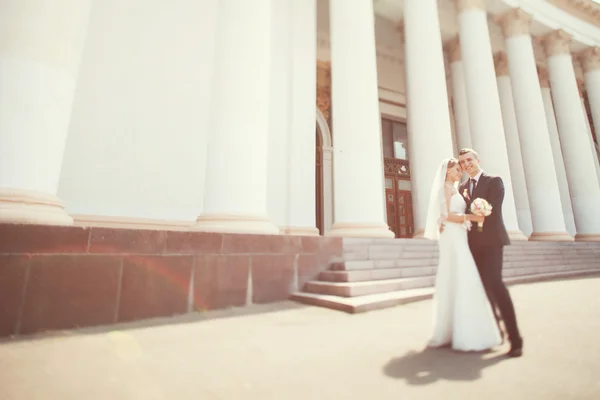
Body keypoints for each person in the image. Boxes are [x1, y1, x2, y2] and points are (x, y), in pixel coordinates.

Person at [424, 158, 502, 352]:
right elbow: (445, 216)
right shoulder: (446, 188)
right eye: (457, 170)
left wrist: (467, 221)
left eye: (460, 170)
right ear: (448, 171)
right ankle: (461, 331)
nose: (460, 173)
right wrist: (472, 217)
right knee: (461, 274)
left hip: (459, 234)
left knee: (464, 277)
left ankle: (465, 328)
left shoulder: (457, 189)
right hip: (451, 235)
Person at [458, 148, 523, 358]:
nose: (466, 164)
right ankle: (496, 332)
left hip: (493, 241)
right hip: (473, 244)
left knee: (496, 284)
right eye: (462, 162)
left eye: (469, 160)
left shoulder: (494, 181)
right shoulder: (462, 188)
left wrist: (479, 210)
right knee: (483, 288)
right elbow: (462, 213)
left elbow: (494, 207)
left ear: (478, 160)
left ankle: (516, 339)